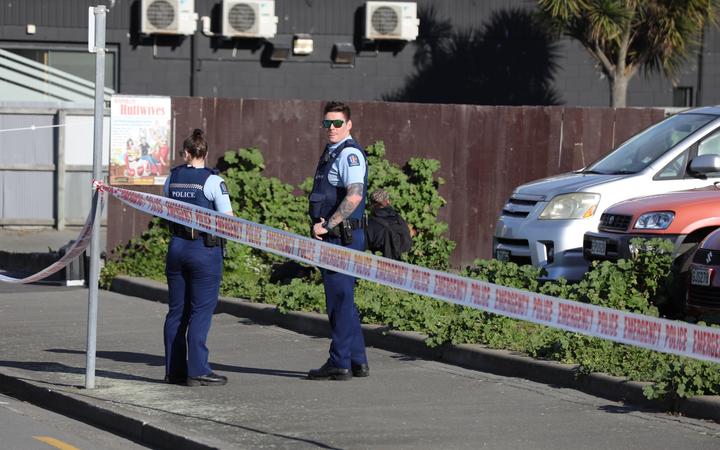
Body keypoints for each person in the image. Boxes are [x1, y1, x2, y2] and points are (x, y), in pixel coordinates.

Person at [163, 128, 233, 387]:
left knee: (176, 312)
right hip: (204, 250)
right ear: (205, 153)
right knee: (201, 311)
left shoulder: (172, 178)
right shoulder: (213, 181)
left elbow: (165, 208)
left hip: (177, 248)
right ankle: (198, 370)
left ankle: (174, 371)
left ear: (186, 153)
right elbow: (228, 219)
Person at [308, 101, 370, 380]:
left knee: (339, 301)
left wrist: (327, 226)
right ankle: (357, 360)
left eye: (337, 123)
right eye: (327, 123)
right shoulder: (331, 152)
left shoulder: (349, 155)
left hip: (341, 238)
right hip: (337, 237)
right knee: (344, 299)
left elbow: (354, 196)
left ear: (348, 125)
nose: (331, 129)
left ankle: (339, 362)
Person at [365, 189, 413, 260]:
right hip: (404, 263)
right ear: (388, 201)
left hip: (381, 265)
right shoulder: (399, 218)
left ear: (372, 205)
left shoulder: (371, 223)